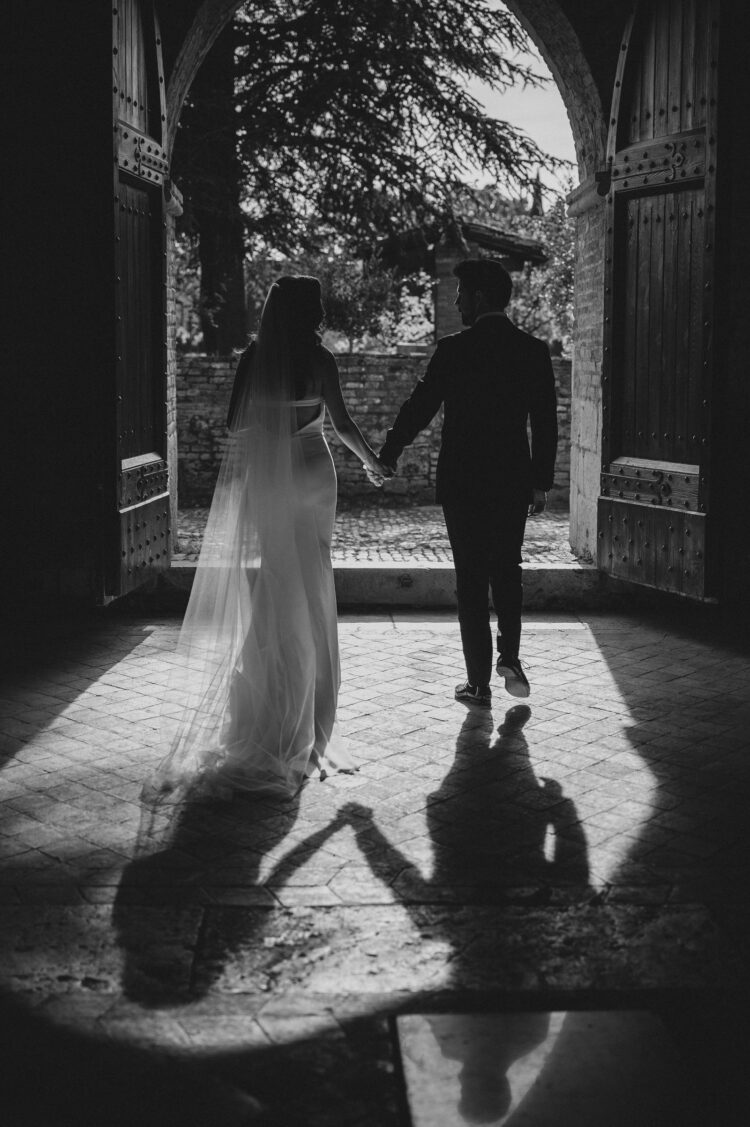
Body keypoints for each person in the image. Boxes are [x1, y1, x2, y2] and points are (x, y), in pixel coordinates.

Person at [145, 275, 390, 801]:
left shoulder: (252, 359)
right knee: (314, 580)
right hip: (313, 471)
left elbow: (236, 425)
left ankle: (271, 706)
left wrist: (269, 425)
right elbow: (342, 423)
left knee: (278, 578)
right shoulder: (321, 360)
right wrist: (371, 461)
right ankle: (312, 715)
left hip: (272, 481)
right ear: (312, 312)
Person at [378, 258, 557, 706]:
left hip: (463, 482)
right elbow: (546, 423)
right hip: (512, 479)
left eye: (460, 292)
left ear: (479, 297)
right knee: (508, 570)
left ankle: (478, 683)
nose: (456, 300)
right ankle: (510, 656)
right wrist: (541, 482)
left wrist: (390, 452)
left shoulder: (453, 349)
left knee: (471, 579)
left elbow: (420, 407)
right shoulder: (532, 350)